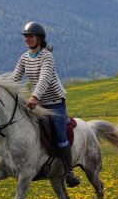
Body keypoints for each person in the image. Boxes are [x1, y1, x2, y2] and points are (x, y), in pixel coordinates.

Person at [10, 21, 80, 187]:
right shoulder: (24, 57)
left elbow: (44, 79)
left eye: (30, 36)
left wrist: (34, 96)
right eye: (26, 36)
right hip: (38, 104)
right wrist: (3, 89)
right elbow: (15, 77)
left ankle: (69, 172)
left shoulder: (47, 56)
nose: (27, 39)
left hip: (54, 103)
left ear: (39, 38)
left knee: (60, 134)